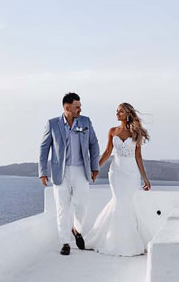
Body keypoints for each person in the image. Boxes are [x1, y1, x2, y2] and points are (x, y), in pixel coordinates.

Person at [84, 103, 152, 256]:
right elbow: (108, 152)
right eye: (117, 111)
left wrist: (145, 178)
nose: (117, 113)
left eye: (120, 111)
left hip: (132, 174)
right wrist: (96, 168)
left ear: (128, 113)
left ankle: (127, 242)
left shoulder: (136, 133)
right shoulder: (112, 131)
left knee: (125, 204)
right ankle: (113, 241)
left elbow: (138, 157)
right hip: (116, 172)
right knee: (119, 202)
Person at [39, 92, 100, 255]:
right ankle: (65, 242)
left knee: (82, 205)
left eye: (80, 106)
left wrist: (95, 168)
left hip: (81, 170)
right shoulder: (52, 124)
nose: (80, 109)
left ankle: (76, 229)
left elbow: (94, 144)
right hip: (61, 172)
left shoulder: (85, 122)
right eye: (77, 107)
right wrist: (42, 172)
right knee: (62, 208)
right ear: (67, 107)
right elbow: (44, 148)